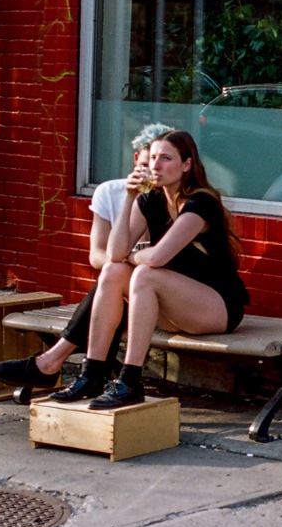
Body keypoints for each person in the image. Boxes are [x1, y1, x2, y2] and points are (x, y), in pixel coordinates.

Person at [0, 123, 172, 400]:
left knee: (116, 279)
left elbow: (161, 261)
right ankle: (81, 373)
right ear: (136, 161)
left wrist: (129, 252)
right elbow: (98, 255)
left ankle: (56, 363)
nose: (152, 173)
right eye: (146, 164)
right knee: (112, 275)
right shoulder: (110, 192)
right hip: (120, 288)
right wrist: (125, 255)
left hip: (156, 297)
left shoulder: (171, 198)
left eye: (160, 164)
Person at [79, 130, 251, 410]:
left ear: (186, 165)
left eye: (166, 158)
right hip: (177, 307)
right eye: (154, 158)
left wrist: (134, 257)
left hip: (217, 307)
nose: (156, 166)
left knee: (145, 274)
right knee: (112, 272)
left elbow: (158, 257)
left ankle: (131, 379)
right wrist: (129, 197)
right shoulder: (149, 201)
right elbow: (114, 254)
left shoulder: (201, 203)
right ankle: (92, 373)